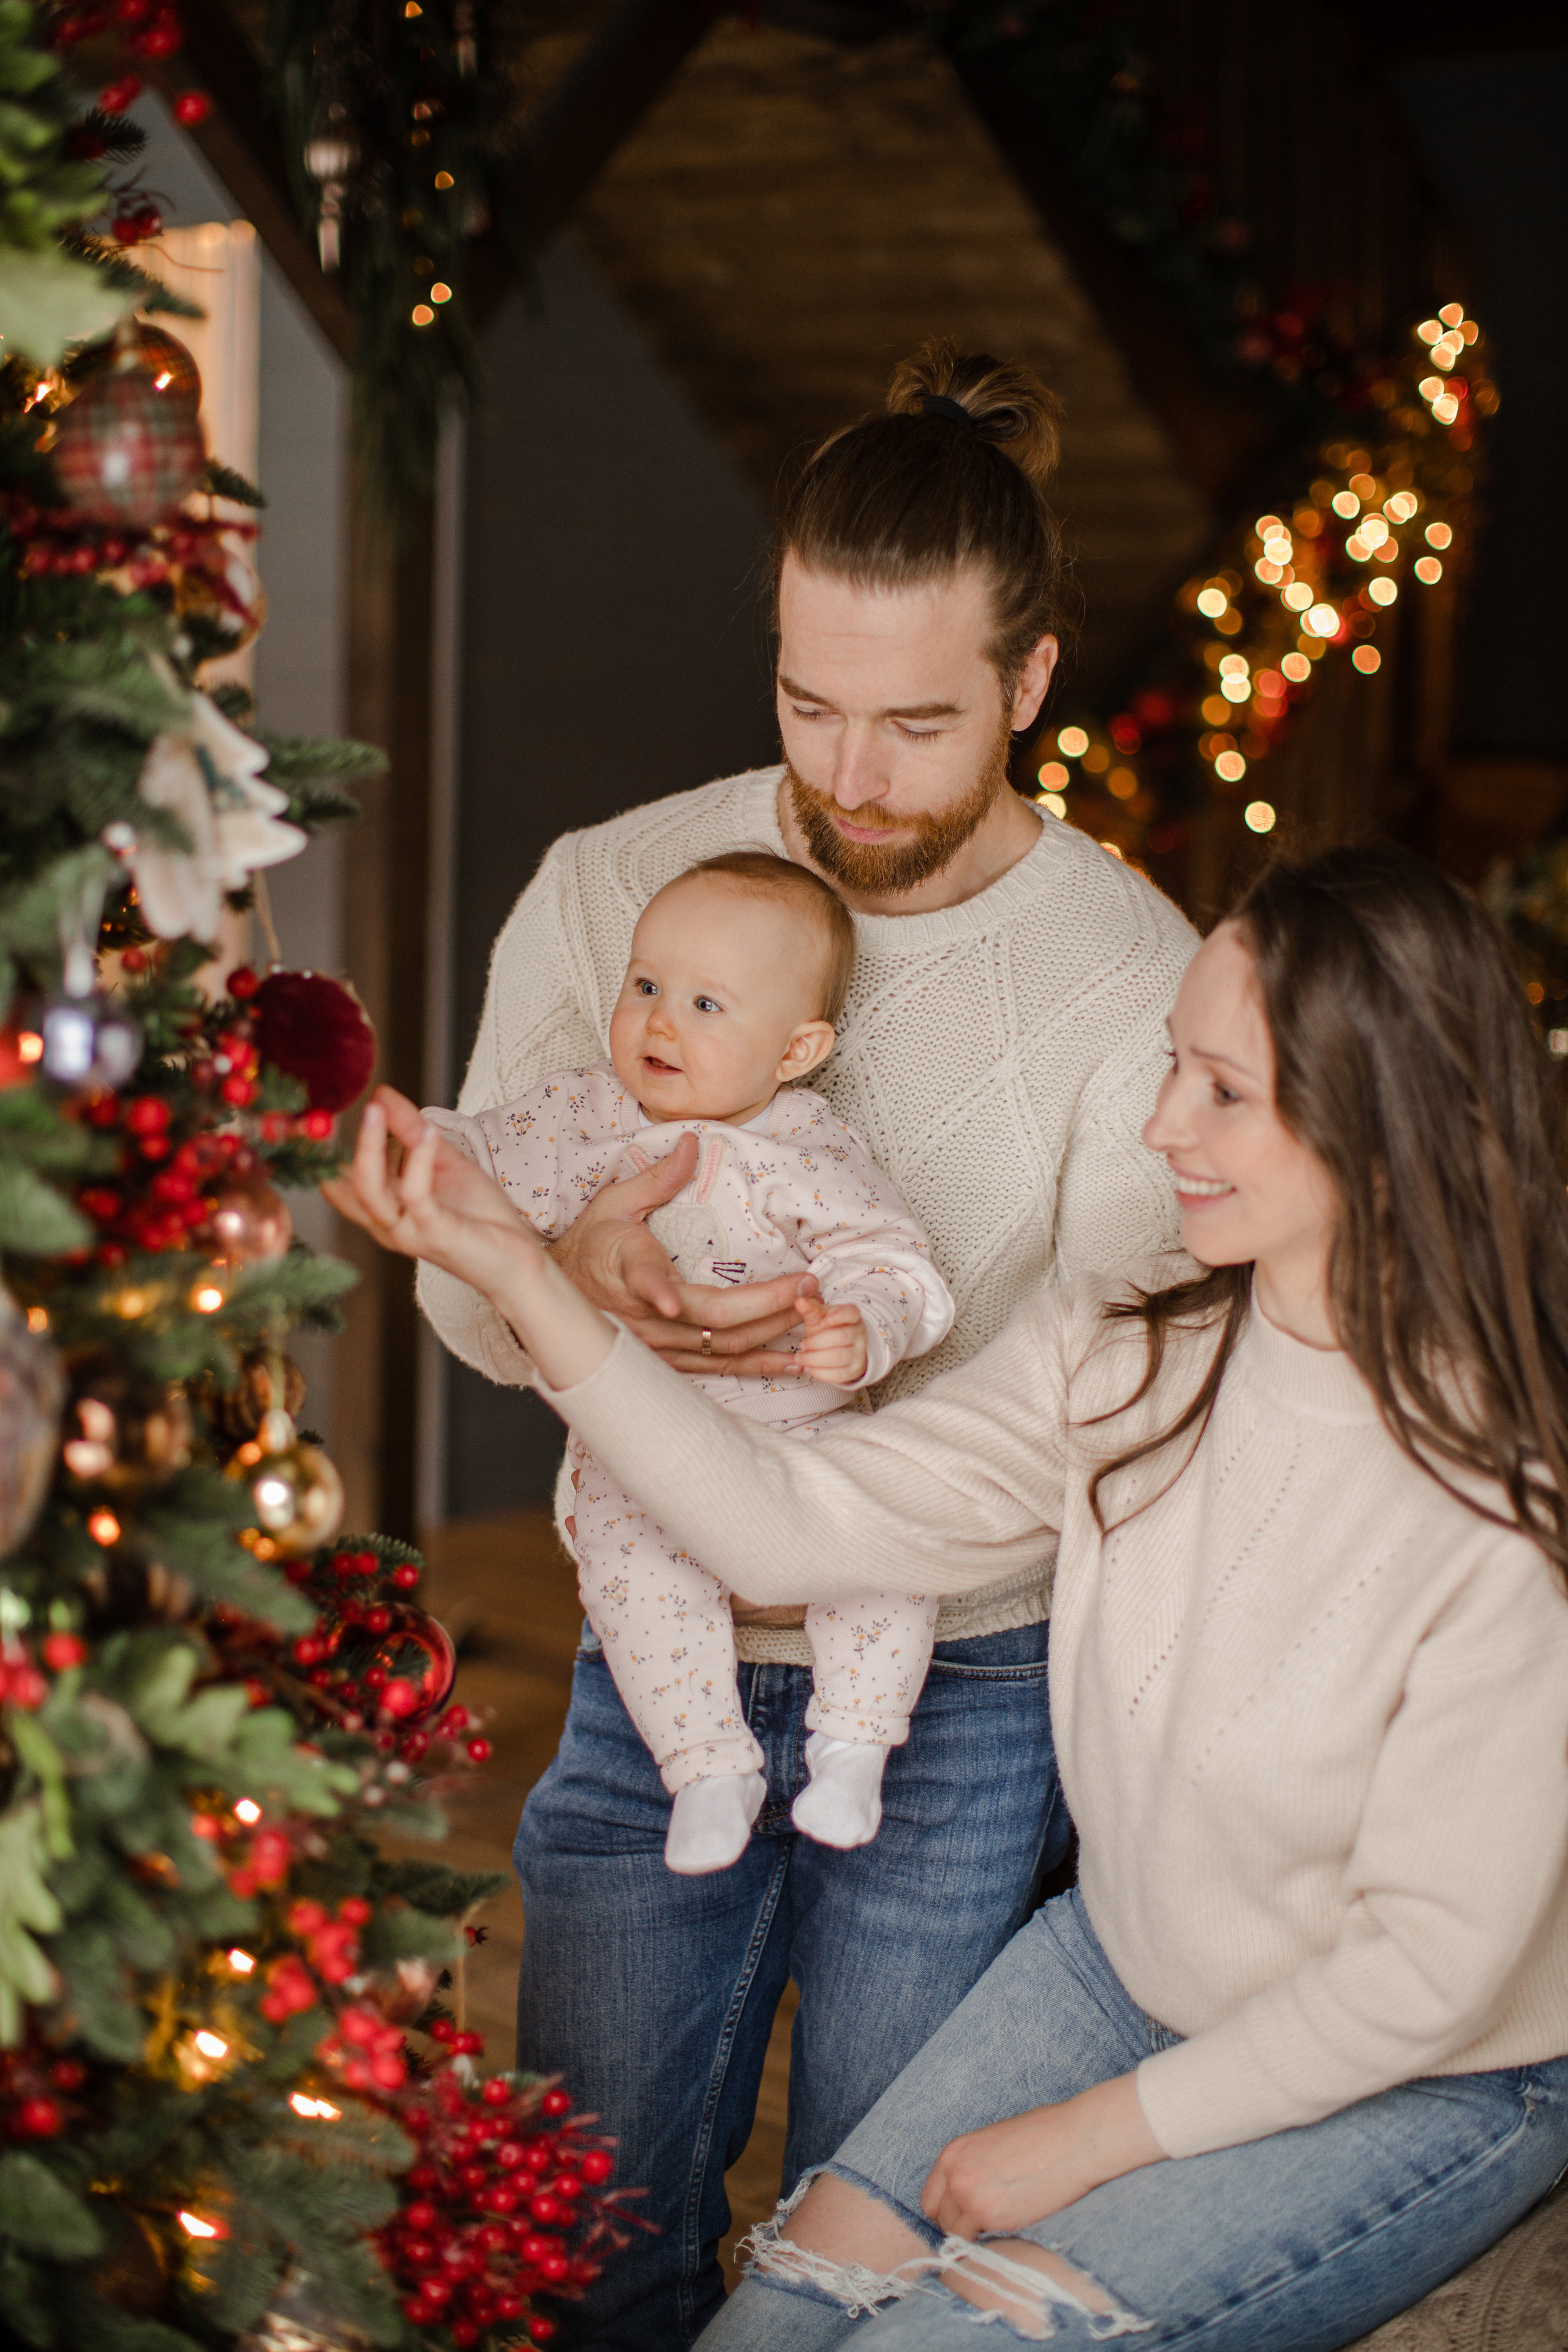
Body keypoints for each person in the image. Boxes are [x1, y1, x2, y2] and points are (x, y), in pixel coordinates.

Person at [334, 844, 1568, 2352]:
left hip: (1428, 2066)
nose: (1155, 1124)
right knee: (770, 2329)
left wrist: (1091, 2137)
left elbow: (1424, 1979)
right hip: (1124, 1967)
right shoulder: (1122, 1352)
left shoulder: (1506, 1515)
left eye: (1222, 1092)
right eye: (1171, 1065)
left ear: (1389, 1135)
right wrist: (516, 1268)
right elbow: (791, 1530)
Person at [415, 337, 1197, 2345]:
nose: (847, 782)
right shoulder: (612, 890)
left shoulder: (1140, 978)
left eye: (920, 724)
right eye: (805, 703)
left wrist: (827, 1400)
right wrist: (572, 1269)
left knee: (871, 2252)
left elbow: (1104, 1397)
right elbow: (447, 1269)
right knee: (580, 2232)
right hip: (648, 1646)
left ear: (1032, 686)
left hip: (970, 1687)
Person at [424, 851, 955, 1876]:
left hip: (807, 1432)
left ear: (797, 1049)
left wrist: (865, 1325)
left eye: (707, 1004)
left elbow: (896, 1265)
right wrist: (416, 1143)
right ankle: (706, 1764)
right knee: (631, 1567)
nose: (660, 1022)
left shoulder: (810, 1142)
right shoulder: (586, 1117)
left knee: (890, 1552)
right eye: (647, 986)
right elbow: (472, 1156)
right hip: (648, 1446)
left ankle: (854, 1741)